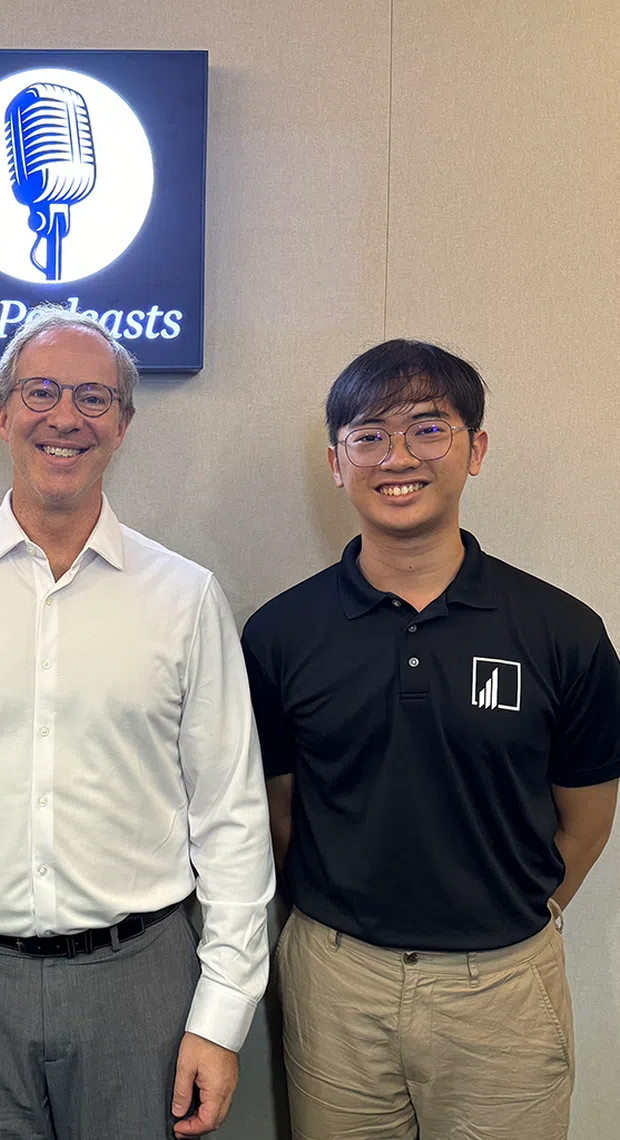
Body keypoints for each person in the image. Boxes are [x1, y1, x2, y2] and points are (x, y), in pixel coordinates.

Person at [0, 304, 275, 1139]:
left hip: (140, 982)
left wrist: (221, 1015)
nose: (65, 417)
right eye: (40, 391)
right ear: (3, 413)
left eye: (94, 397)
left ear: (123, 425)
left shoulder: (185, 599)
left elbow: (231, 817)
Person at [242, 340, 620, 1140]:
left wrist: (528, 911)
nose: (398, 457)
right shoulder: (279, 633)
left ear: (475, 450)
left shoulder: (562, 631)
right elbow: (281, 810)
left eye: (428, 429)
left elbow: (587, 814)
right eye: (369, 435)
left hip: (502, 989)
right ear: (338, 462)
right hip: (336, 982)